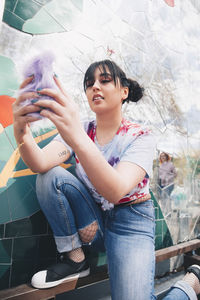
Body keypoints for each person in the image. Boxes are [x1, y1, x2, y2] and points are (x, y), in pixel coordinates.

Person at [12, 59, 199, 300]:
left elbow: (116, 190)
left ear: (124, 91)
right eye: (89, 84)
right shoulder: (81, 129)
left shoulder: (140, 136)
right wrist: (21, 131)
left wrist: (77, 137)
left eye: (104, 80)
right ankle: (75, 258)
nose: (95, 87)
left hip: (131, 223)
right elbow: (40, 162)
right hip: (95, 218)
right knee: (50, 176)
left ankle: (187, 286)